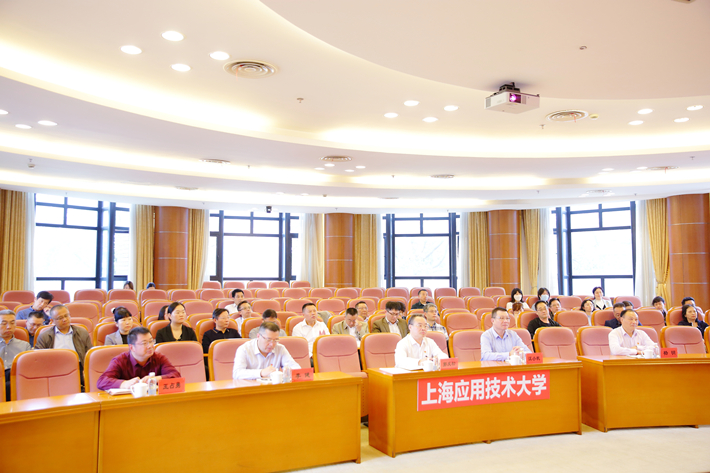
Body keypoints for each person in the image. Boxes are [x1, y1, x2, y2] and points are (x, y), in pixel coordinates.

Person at [96, 326, 180, 390]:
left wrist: (156, 379)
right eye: (144, 343)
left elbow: (176, 376)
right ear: (132, 347)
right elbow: (102, 381)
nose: (150, 346)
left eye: (151, 341)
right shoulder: (120, 361)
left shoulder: (159, 358)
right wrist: (124, 384)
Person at [232, 322, 301, 380]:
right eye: (268, 340)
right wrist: (261, 372)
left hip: (273, 388)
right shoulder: (244, 349)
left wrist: (288, 372)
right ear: (258, 336)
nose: (272, 344)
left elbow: (295, 367)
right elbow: (237, 373)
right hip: (251, 388)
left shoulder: (280, 348)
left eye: (275, 340)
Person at [1, 310, 32, 401]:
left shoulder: (24, 345)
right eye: (4, 323)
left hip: (16, 379)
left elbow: (28, 369)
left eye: (12, 323)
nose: (8, 327)